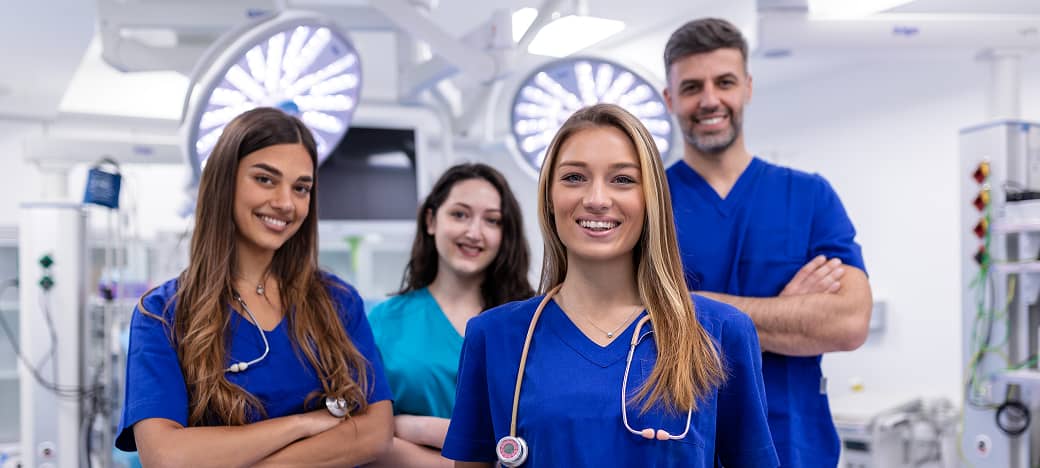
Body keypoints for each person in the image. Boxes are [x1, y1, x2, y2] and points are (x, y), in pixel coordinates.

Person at [442, 104, 777, 467]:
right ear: (550, 198)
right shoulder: (495, 337)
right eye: (574, 178)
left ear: (650, 200)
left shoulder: (719, 332)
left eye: (622, 180)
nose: (597, 199)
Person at [115, 107, 393, 467]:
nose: (285, 202)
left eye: (301, 188)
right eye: (265, 179)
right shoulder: (162, 315)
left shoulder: (337, 302)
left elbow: (376, 432)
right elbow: (167, 457)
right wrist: (302, 424)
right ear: (224, 182)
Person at [661, 18, 874, 467]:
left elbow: (850, 321)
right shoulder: (648, 203)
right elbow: (633, 326)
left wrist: (689, 306)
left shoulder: (809, 196)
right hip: (679, 446)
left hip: (794, 448)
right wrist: (787, 313)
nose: (710, 100)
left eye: (725, 82)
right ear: (670, 99)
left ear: (748, 88)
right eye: (692, 87)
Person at [367, 163, 534, 467]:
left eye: (492, 221)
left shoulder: (531, 323)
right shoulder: (382, 322)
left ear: (505, 233)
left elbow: (541, 433)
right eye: (459, 214)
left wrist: (415, 427)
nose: (474, 232)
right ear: (431, 220)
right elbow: (361, 437)